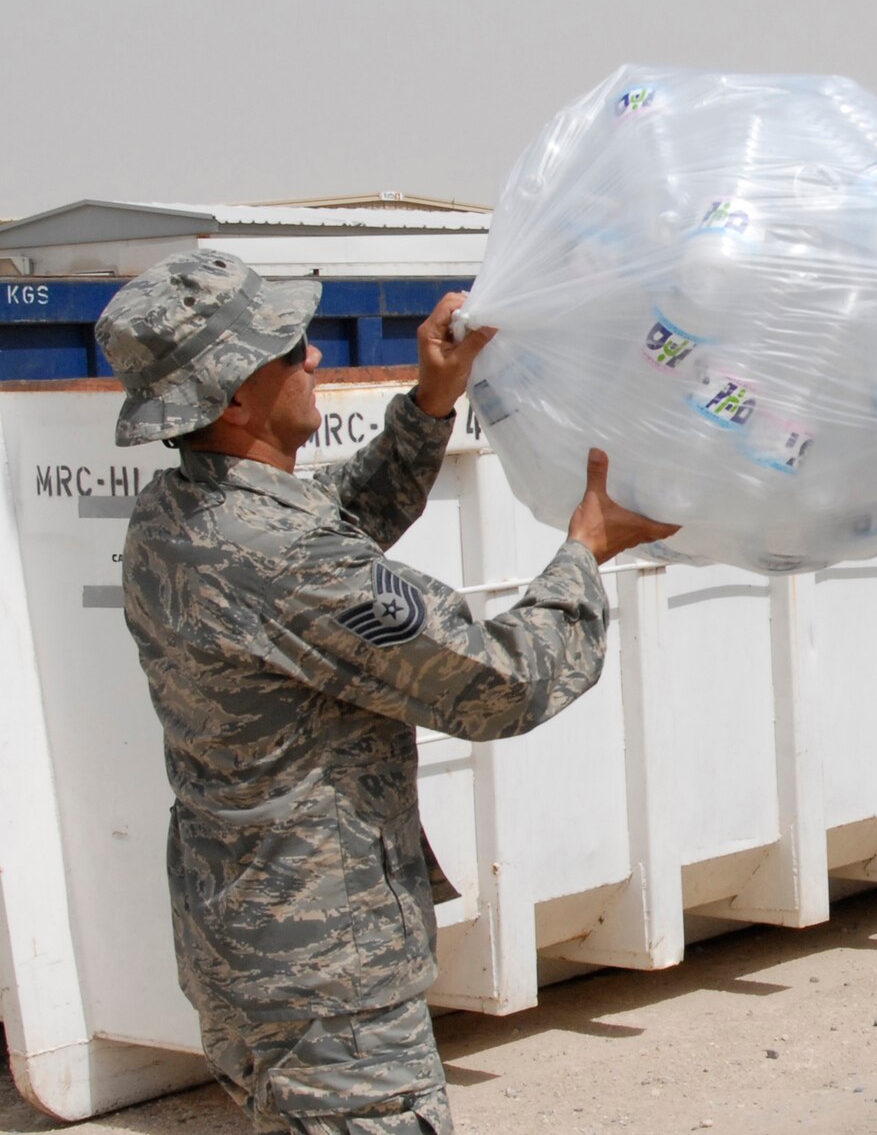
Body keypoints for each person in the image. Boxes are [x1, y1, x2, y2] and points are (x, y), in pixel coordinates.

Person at [95, 249, 677, 1135]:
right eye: (291, 348)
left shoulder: (176, 519)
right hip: (333, 996)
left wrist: (430, 399)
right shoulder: (280, 558)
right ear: (236, 395)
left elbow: (334, 521)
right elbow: (501, 682)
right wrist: (584, 554)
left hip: (253, 959)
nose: (316, 358)